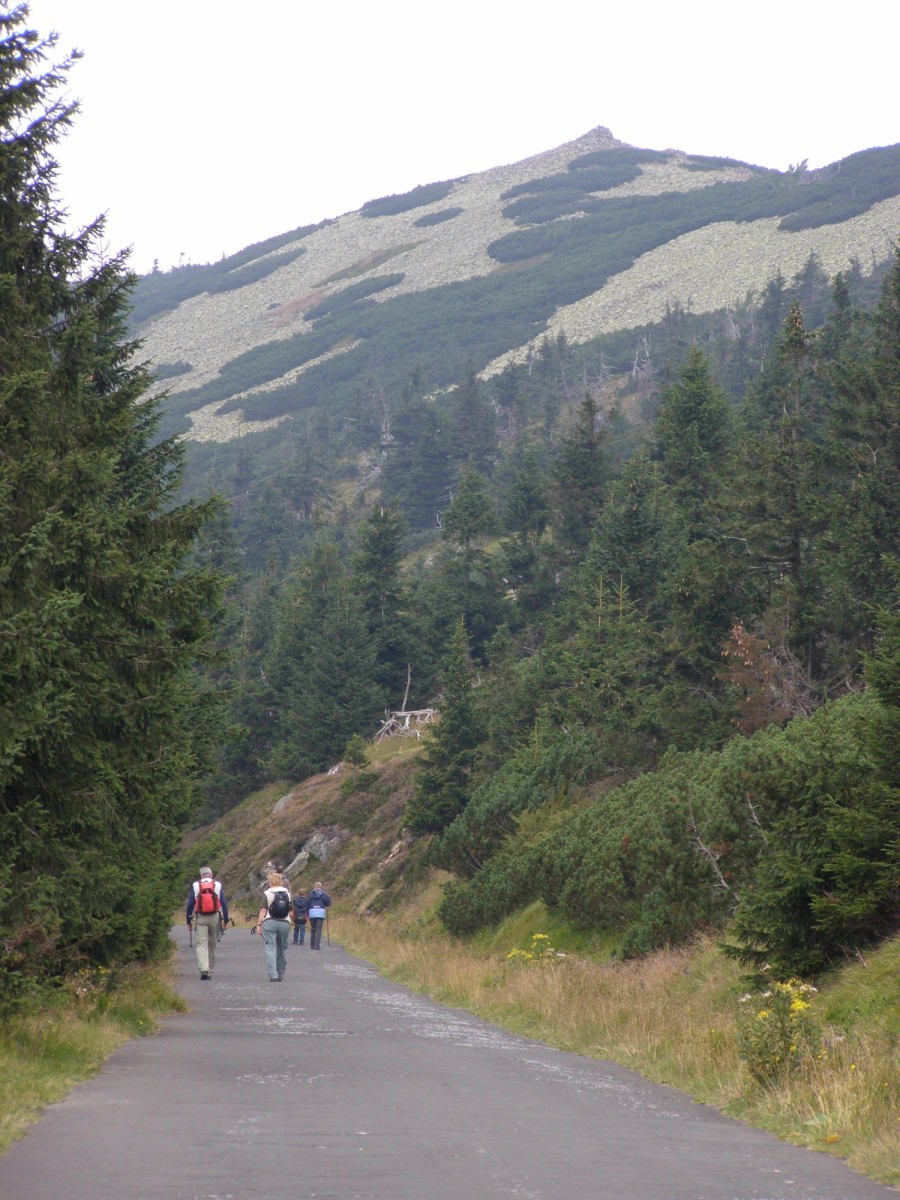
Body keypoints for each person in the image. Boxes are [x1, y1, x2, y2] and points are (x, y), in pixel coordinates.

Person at [186, 866, 229, 981]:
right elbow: (223, 903)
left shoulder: (196, 885)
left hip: (201, 917)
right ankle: (210, 970)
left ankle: (203, 969)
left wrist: (188, 921)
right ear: (211, 875)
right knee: (212, 944)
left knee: (201, 944)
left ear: (201, 875)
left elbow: (190, 904)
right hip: (215, 917)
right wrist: (226, 919)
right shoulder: (217, 885)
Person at [256, 870, 292, 981]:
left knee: (270, 948)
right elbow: (291, 912)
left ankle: (273, 975)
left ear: (270, 882)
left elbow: (263, 911)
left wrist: (259, 924)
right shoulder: (287, 894)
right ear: (281, 882)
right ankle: (281, 972)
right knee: (281, 948)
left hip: (270, 922)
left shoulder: (267, 893)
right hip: (285, 922)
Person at [306, 881, 331, 950]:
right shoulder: (324, 894)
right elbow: (328, 903)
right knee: (319, 929)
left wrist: (307, 913)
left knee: (313, 928)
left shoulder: (311, 894)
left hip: (312, 912)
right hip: (320, 913)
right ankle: (317, 945)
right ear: (321, 887)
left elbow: (307, 903)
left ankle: (312, 944)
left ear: (314, 887)